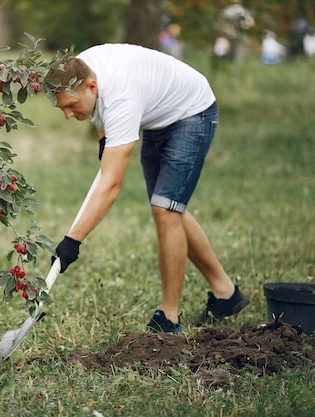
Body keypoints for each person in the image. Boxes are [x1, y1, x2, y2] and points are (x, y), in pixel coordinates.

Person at [44, 43, 249, 334]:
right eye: (62, 107)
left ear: (92, 86)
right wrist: (105, 139)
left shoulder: (121, 99)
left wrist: (72, 241)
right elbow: (99, 114)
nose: (67, 115)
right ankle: (226, 293)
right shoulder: (80, 70)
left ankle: (169, 318)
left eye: (71, 106)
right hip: (156, 114)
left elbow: (111, 185)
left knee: (166, 209)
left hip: (192, 113)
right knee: (168, 208)